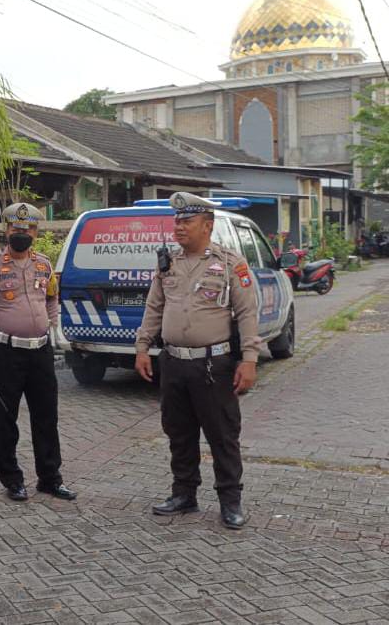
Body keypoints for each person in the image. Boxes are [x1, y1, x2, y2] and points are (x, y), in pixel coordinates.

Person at [135, 192, 261, 530]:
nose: (179, 227)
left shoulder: (231, 263)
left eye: (186, 221)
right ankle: (184, 494)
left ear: (207, 225)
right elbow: (154, 307)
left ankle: (230, 501)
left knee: (222, 436)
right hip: (174, 363)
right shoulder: (168, 263)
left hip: (213, 366)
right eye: (177, 221)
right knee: (179, 433)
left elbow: (248, 313)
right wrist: (143, 348)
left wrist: (249, 360)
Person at [0, 202, 77, 502]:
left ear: (36, 231)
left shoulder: (44, 265)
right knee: (6, 420)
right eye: (17, 228)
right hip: (7, 354)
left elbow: (51, 300)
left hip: (41, 353)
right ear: (6, 230)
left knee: (46, 417)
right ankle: (12, 480)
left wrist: (55, 328)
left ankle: (50, 478)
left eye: (29, 228)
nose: (22, 233)